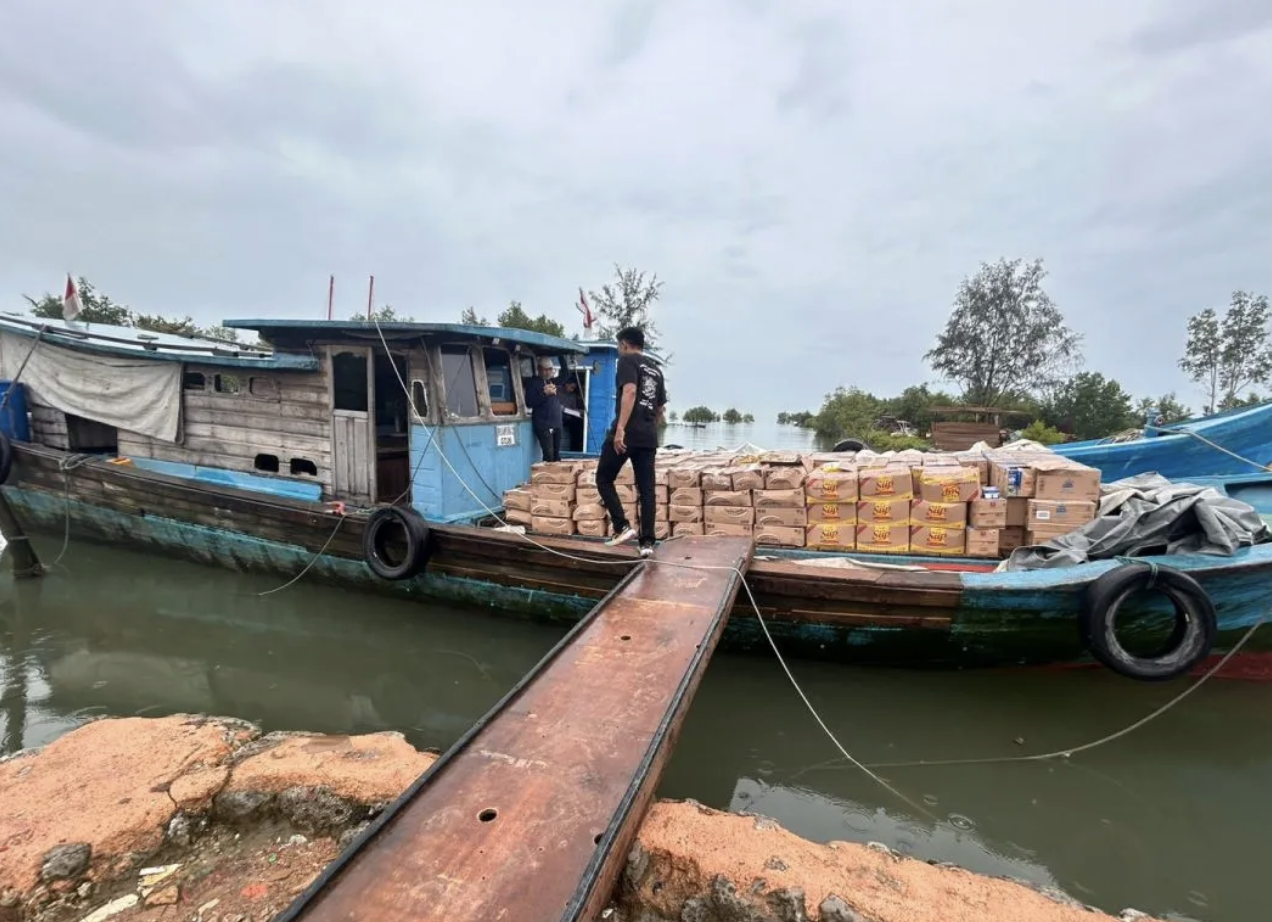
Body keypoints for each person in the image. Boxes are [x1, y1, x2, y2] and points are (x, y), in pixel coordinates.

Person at [598, 327, 666, 557]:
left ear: (625, 345)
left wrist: (620, 430)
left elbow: (630, 392)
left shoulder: (627, 361)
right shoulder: (656, 370)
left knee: (604, 478)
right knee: (647, 489)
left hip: (627, 433)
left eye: (619, 346)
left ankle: (621, 526)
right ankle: (647, 543)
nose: (619, 351)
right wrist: (648, 427)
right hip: (648, 436)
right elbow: (660, 408)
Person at [524, 356, 563, 462]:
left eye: (550, 369)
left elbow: (566, 374)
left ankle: (558, 478)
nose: (548, 372)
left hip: (557, 423)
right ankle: (548, 478)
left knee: (556, 455)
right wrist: (545, 394)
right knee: (549, 456)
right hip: (544, 425)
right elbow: (529, 403)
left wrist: (561, 355)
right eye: (545, 369)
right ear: (539, 369)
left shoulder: (552, 381)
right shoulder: (533, 383)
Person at [560, 379, 585, 451]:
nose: (572, 390)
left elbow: (573, 409)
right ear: (566, 384)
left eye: (574, 388)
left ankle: (575, 448)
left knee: (578, 424)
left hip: (568, 417)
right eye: (571, 387)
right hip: (558, 417)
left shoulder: (573, 396)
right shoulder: (558, 392)